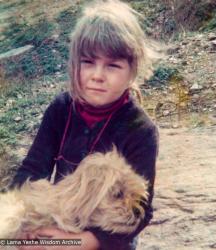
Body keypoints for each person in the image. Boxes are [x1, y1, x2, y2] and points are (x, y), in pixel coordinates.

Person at [11, 0, 159, 249]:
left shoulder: (141, 130)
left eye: (113, 65)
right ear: (74, 64)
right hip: (63, 218)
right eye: (88, 62)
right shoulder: (61, 109)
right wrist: (21, 221)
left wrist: (83, 241)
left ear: (132, 70)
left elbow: (141, 212)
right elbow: (33, 169)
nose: (97, 75)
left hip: (107, 236)